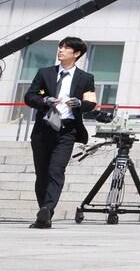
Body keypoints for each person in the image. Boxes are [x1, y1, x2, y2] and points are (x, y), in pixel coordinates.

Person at [23, 36, 97, 229]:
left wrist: (80, 103)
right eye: (60, 46)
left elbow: (91, 102)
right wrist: (45, 99)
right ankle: (44, 214)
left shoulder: (85, 78)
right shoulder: (45, 73)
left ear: (77, 53)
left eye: (66, 48)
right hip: (43, 129)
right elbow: (31, 95)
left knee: (56, 170)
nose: (61, 50)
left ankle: (48, 208)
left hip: (67, 130)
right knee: (42, 173)